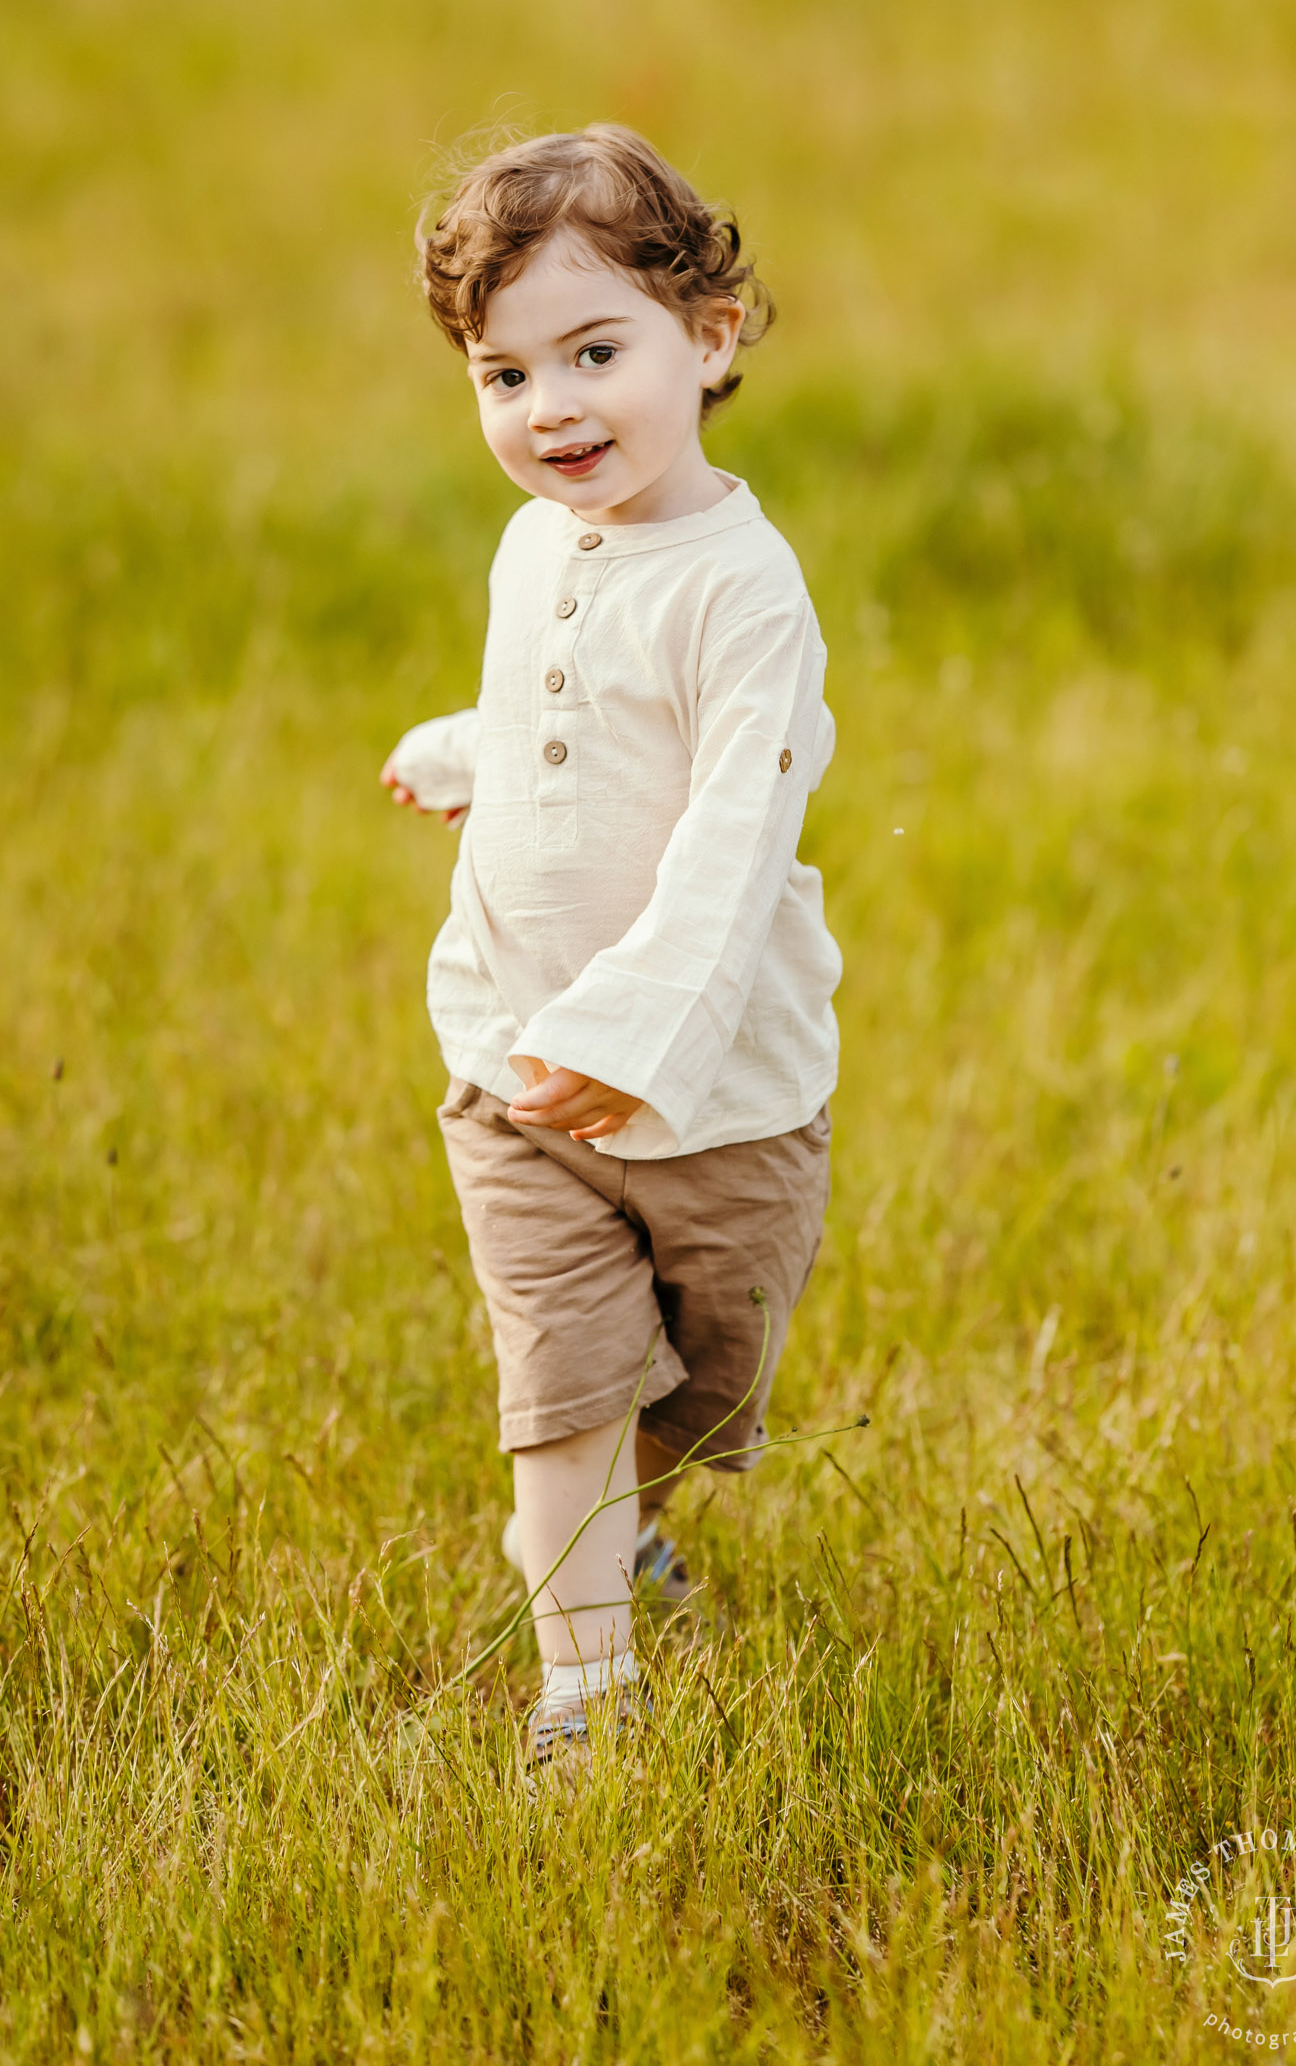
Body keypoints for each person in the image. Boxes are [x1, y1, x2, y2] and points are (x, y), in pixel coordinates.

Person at [382, 124, 840, 1768]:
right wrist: (473, 756)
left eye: (594, 352)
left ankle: (631, 1530)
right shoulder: (535, 544)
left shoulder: (748, 593)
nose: (550, 407)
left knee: (689, 1392)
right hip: (517, 1068)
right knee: (565, 1388)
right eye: (504, 375)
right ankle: (588, 1688)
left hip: (721, 1105)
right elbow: (559, 707)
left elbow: (731, 838)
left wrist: (631, 1040)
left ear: (709, 342)